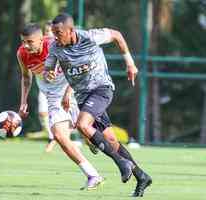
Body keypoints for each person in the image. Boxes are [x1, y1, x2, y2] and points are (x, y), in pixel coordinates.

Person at [45, 13, 152, 197]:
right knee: (110, 140)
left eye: (58, 32)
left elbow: (117, 35)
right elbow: (49, 69)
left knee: (82, 125)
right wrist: (50, 74)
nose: (55, 36)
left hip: (102, 89)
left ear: (71, 30)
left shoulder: (91, 37)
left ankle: (121, 163)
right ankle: (141, 176)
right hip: (83, 97)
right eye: (53, 32)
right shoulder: (55, 47)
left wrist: (130, 63)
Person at [17, 23, 103, 190]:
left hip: (73, 90)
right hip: (53, 97)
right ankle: (92, 174)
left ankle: (98, 145)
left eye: (30, 42)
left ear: (42, 39)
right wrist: (23, 101)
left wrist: (69, 92)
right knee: (59, 135)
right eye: (23, 42)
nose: (26, 46)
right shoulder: (22, 54)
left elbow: (78, 69)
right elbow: (26, 78)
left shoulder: (56, 46)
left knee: (87, 132)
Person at [26, 21, 57, 152]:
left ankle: (89, 137)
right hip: (44, 86)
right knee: (42, 112)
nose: (48, 34)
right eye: (46, 31)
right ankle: (52, 138)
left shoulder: (58, 46)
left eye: (51, 31)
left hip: (60, 86)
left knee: (70, 116)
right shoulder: (38, 46)